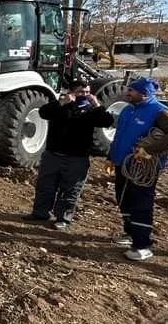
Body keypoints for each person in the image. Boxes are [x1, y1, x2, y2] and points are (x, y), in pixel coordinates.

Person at [104, 77, 168, 261]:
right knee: (123, 199)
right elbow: (119, 136)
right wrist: (111, 157)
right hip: (122, 164)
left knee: (140, 204)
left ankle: (142, 245)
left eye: (131, 91)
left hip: (142, 167)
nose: (127, 93)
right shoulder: (128, 110)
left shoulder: (159, 112)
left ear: (144, 93)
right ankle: (130, 233)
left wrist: (148, 150)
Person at [25, 79, 114, 230]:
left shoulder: (91, 110)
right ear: (71, 92)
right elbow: (43, 112)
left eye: (87, 92)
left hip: (77, 158)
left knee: (70, 189)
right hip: (53, 155)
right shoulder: (60, 107)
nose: (84, 95)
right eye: (80, 92)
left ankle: (63, 218)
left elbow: (107, 121)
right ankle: (40, 213)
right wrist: (62, 103)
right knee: (45, 186)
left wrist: (97, 105)